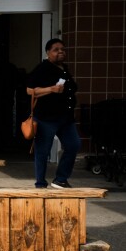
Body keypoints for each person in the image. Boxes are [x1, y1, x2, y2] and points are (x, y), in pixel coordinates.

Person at [26, 38, 80, 189]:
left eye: (62, 49)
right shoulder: (43, 68)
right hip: (46, 117)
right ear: (48, 53)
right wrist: (50, 89)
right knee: (43, 150)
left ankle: (60, 178)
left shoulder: (64, 69)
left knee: (73, 145)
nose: (61, 52)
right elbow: (30, 90)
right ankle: (40, 183)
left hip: (66, 117)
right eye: (56, 50)